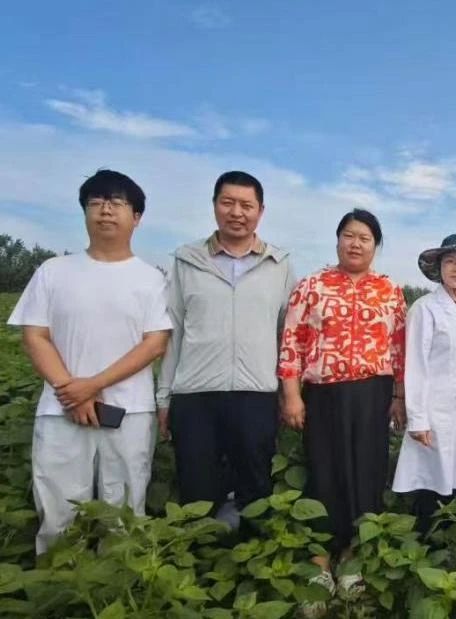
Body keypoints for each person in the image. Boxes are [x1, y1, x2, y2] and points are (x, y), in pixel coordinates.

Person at [7, 169, 171, 554]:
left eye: (117, 203)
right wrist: (72, 391)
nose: (105, 211)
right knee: (58, 507)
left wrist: (93, 385)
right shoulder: (53, 271)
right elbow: (35, 335)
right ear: (84, 212)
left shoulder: (151, 279)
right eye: (96, 203)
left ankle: (117, 577)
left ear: (136, 217)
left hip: (128, 410)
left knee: (125, 508)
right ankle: (59, 577)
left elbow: (154, 344)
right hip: (61, 408)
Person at [278, 209, 406, 603]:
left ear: (375, 246)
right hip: (324, 393)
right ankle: (320, 560)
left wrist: (399, 395)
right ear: (337, 240)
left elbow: (399, 348)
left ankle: (352, 556)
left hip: (373, 393)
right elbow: (292, 341)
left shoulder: (389, 290)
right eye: (349, 235)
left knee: (367, 471)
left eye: (364, 238)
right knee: (324, 469)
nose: (355, 244)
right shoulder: (311, 286)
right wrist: (292, 394)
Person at [157, 171, 296, 527]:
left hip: (256, 394)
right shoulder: (187, 261)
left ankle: (252, 554)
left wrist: (287, 395)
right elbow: (174, 331)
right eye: (228, 203)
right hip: (195, 394)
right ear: (215, 205)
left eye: (246, 205)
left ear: (260, 211)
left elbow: (288, 336)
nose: (237, 212)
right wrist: (164, 397)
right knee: (197, 490)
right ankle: (198, 556)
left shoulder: (278, 264)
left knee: (256, 490)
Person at [392, 234, 456, 533]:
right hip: (437, 415)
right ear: (439, 268)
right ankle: (428, 545)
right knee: (434, 486)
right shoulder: (425, 308)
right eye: (450, 261)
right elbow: (416, 365)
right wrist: (418, 419)